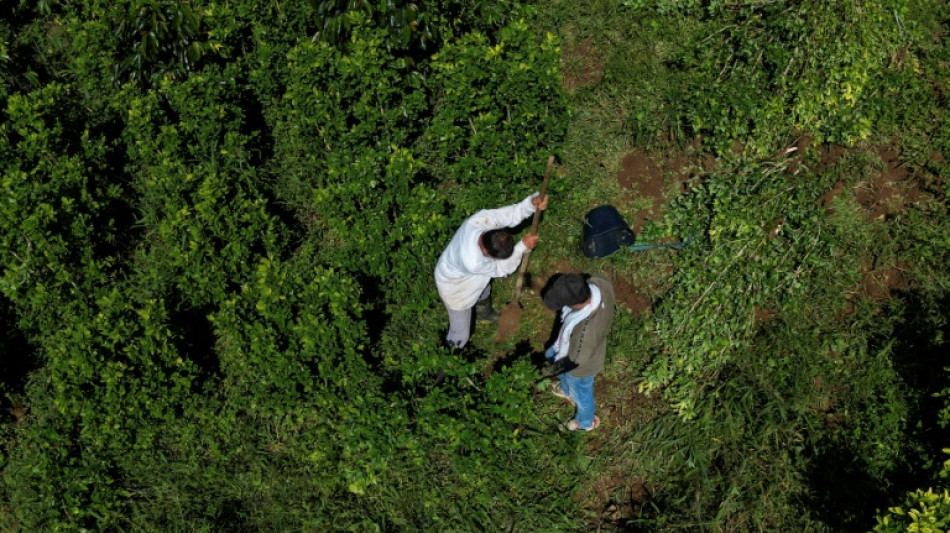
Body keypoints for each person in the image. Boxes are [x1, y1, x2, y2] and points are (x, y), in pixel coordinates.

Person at [435, 192, 548, 349]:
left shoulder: (479, 222)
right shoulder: (473, 262)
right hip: (454, 287)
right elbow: (501, 269)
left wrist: (531, 204)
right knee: (461, 335)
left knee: (484, 290)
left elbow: (507, 215)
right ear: (488, 254)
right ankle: (450, 355)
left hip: (470, 275)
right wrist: (522, 247)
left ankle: (484, 313)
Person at [542, 273, 615, 431]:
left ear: (574, 304)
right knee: (550, 354)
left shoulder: (586, 332)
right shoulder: (600, 282)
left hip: (582, 368)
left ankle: (586, 421)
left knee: (582, 395)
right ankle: (567, 391)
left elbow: (573, 362)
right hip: (584, 352)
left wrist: (547, 371)